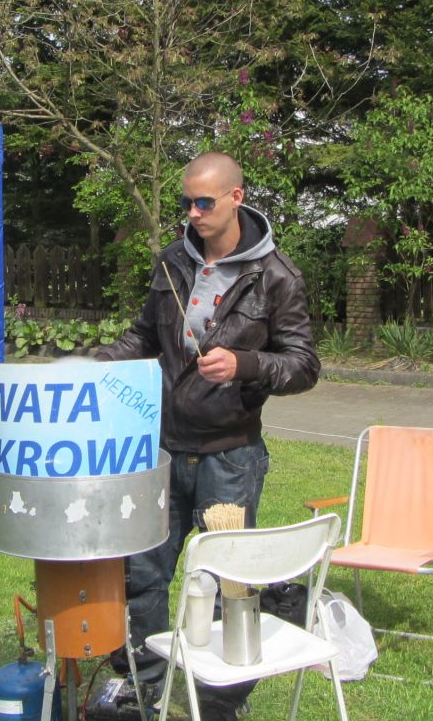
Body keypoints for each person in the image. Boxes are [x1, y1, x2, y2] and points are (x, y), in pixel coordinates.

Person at [97, 151, 320, 721]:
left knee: (228, 585)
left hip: (230, 457)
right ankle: (146, 689)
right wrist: (92, 364)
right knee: (141, 575)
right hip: (162, 450)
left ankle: (221, 702)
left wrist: (246, 364)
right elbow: (143, 337)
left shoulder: (276, 276)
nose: (192, 213)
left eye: (203, 202)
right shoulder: (173, 261)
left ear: (236, 198)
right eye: (186, 202)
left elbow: (303, 365)